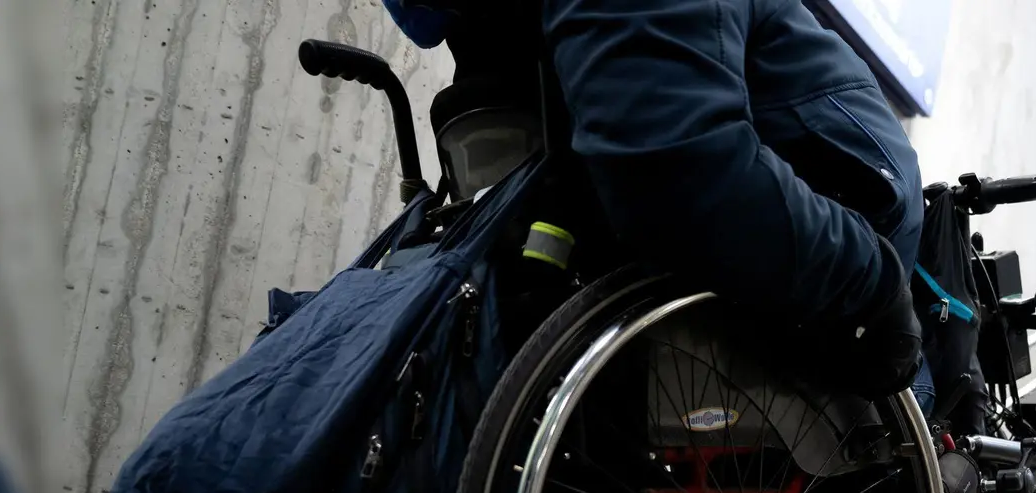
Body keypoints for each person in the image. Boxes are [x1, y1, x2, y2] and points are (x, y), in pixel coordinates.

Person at [381, 0, 927, 404]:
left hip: (806, 251)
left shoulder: (494, 32)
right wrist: (873, 285)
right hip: (837, 271)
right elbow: (680, 169)